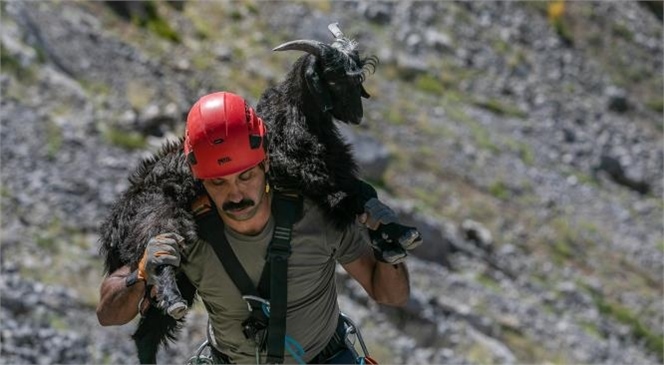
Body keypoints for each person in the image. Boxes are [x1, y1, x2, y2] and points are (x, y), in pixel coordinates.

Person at [97, 91, 417, 364]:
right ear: (198, 179)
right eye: (219, 182)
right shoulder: (182, 230)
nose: (235, 194)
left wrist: (390, 258)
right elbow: (108, 314)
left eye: (245, 176)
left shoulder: (318, 215)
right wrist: (140, 274)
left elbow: (390, 295)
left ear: (265, 163)